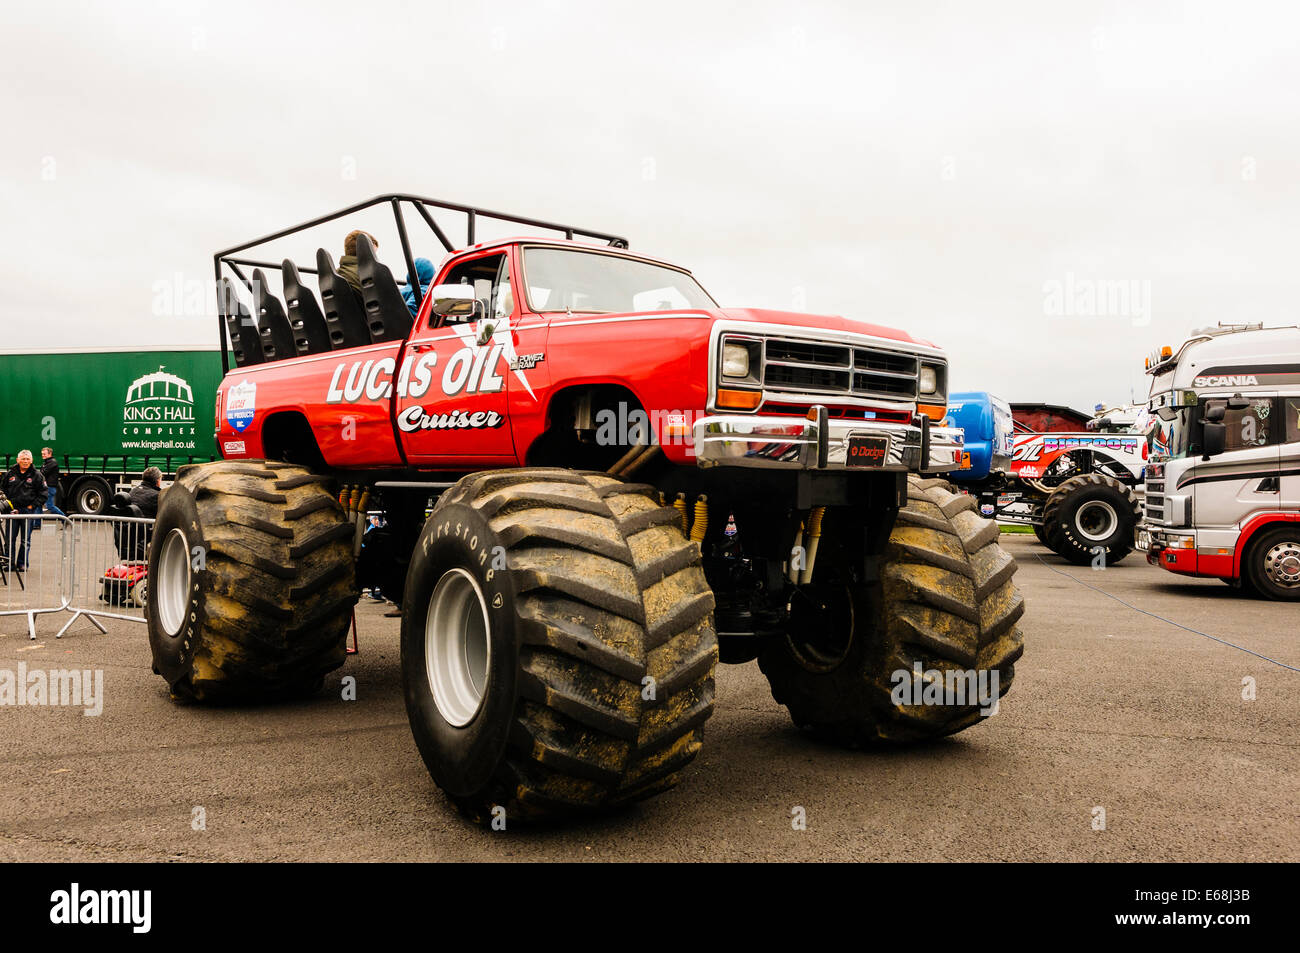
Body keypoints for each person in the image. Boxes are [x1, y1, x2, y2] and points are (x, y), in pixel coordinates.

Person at [1, 450, 47, 571]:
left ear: (31, 461)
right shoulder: (9, 474)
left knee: (25, 540)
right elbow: (2, 490)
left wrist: (32, 506)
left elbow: (43, 494)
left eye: (27, 459)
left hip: (28, 512)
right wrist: (7, 506)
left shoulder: (37, 475)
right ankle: (9, 563)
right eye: (23, 459)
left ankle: (22, 564)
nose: (25, 461)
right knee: (9, 539)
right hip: (12, 512)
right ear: (18, 460)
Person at [337, 230, 378, 300]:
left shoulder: (336, 274)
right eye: (374, 254)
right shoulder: (370, 273)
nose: (376, 258)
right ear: (366, 251)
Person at [40, 448, 65, 518]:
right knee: (38, 504)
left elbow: (42, 472)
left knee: (50, 506)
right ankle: (37, 524)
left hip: (50, 487)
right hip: (46, 487)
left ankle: (65, 519)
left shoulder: (52, 462)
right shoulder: (47, 462)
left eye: (44, 454)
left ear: (49, 454)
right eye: (42, 454)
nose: (43, 455)